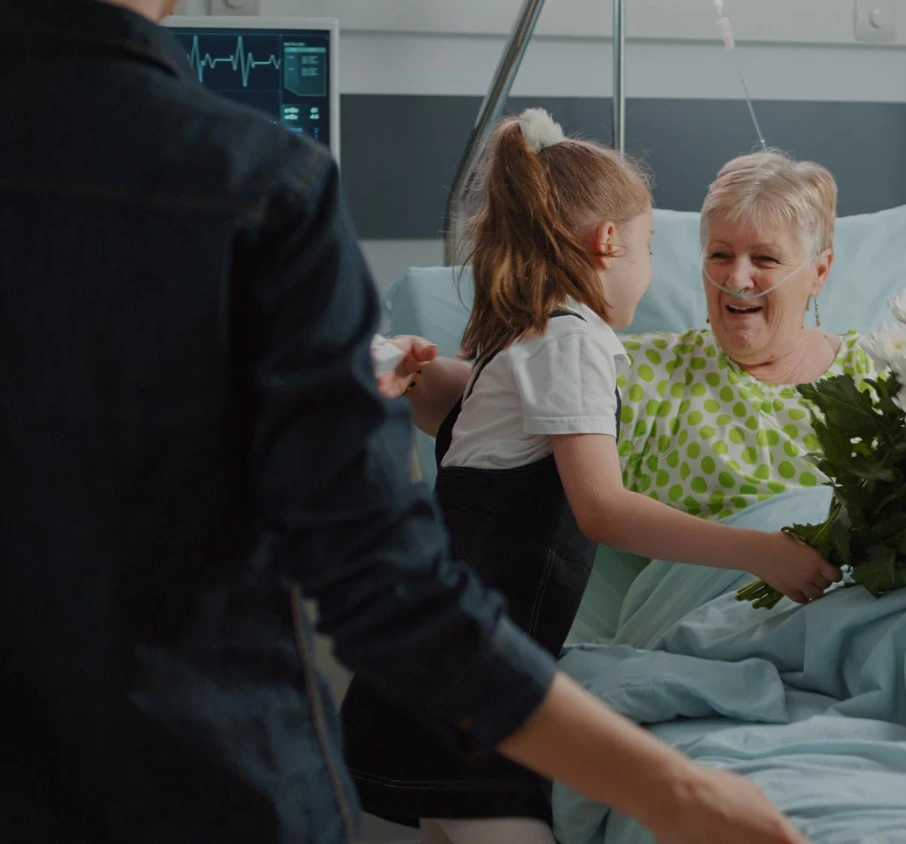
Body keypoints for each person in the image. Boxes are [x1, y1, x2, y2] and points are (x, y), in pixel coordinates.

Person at [0, 2, 809, 842]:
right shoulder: (256, 187)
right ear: (610, 242)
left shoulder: (522, 345)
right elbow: (379, 569)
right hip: (218, 753)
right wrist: (670, 790)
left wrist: (376, 375)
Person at [339, 113, 838, 843]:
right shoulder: (574, 341)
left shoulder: (532, 330)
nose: (653, 269)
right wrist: (763, 551)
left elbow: (472, 409)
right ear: (610, 242)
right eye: (652, 247)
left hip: (457, 663)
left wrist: (419, 372)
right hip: (473, 675)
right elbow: (602, 510)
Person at [392, 149, 877, 529]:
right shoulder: (640, 370)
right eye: (720, 254)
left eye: (766, 259)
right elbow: (492, 395)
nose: (738, 277)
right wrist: (407, 369)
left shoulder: (889, 378)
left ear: (819, 272)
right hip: (718, 609)